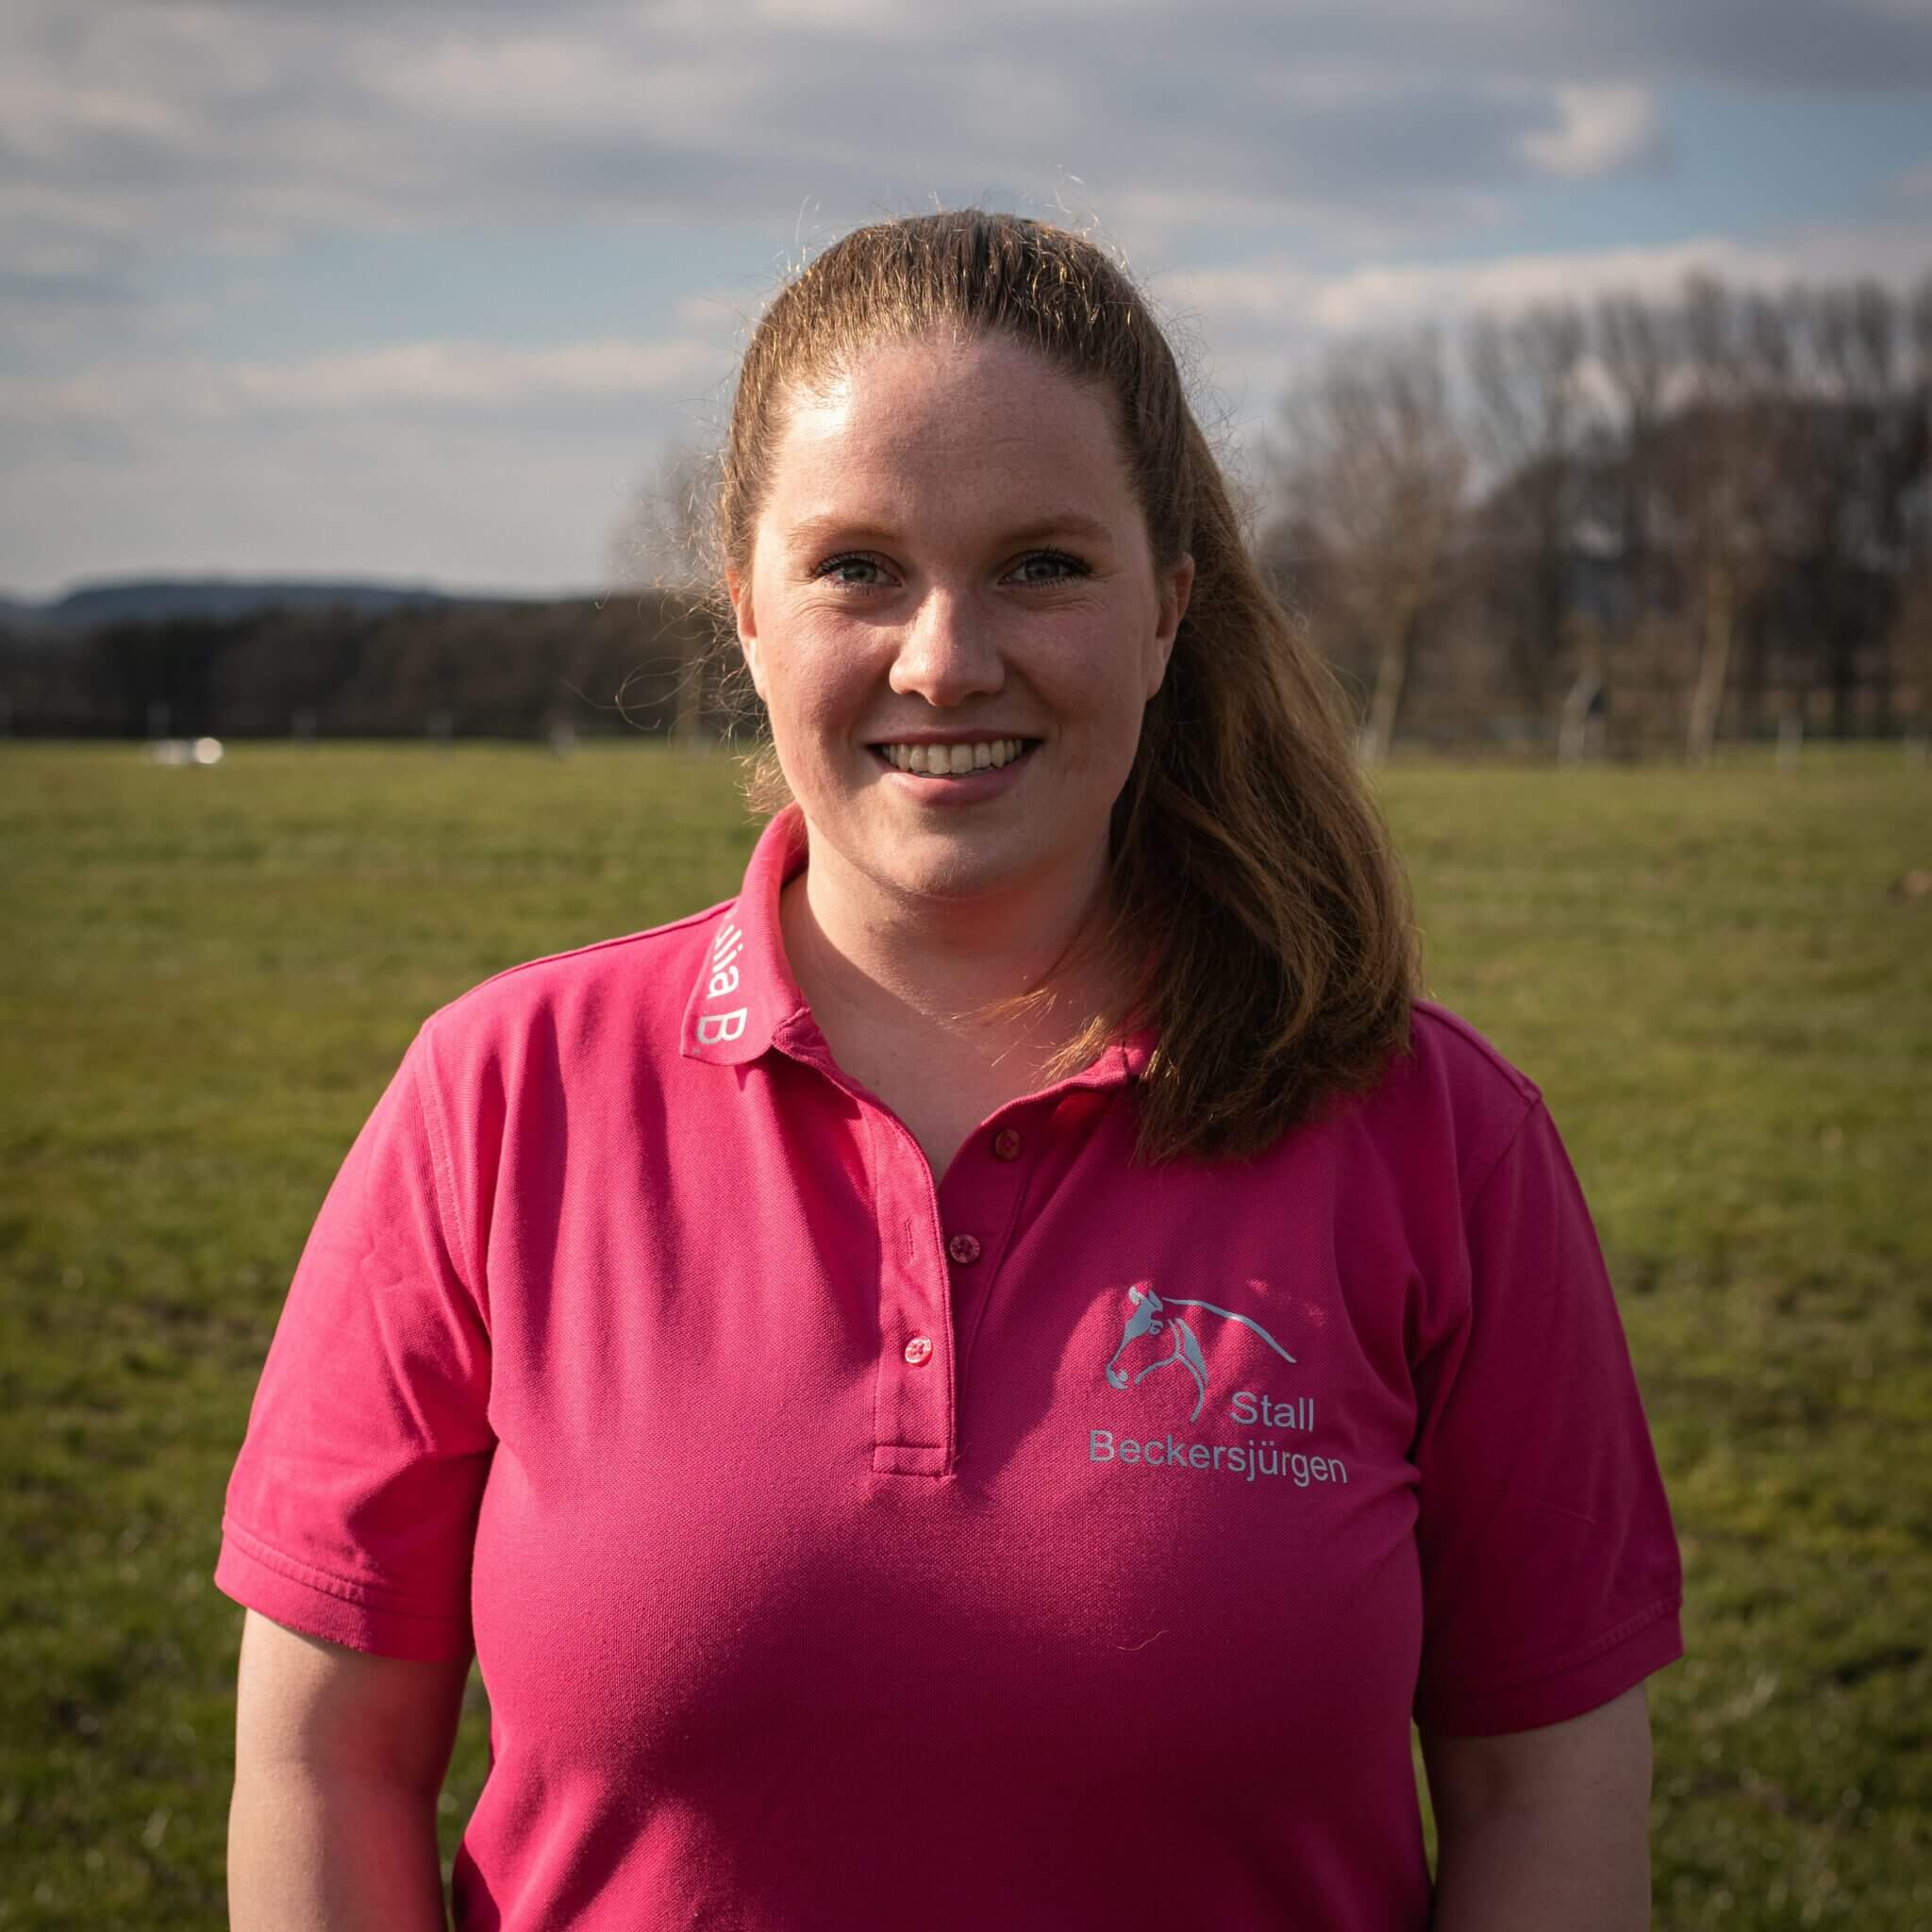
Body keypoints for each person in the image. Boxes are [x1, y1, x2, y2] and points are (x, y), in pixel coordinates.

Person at [220, 210, 1682, 1931]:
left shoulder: (1439, 1139)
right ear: (749, 610)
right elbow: (327, 1764)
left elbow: (1549, 1795)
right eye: (858, 568)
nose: (943, 658)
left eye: (1042, 566)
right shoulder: (498, 1101)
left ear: (1168, 612)